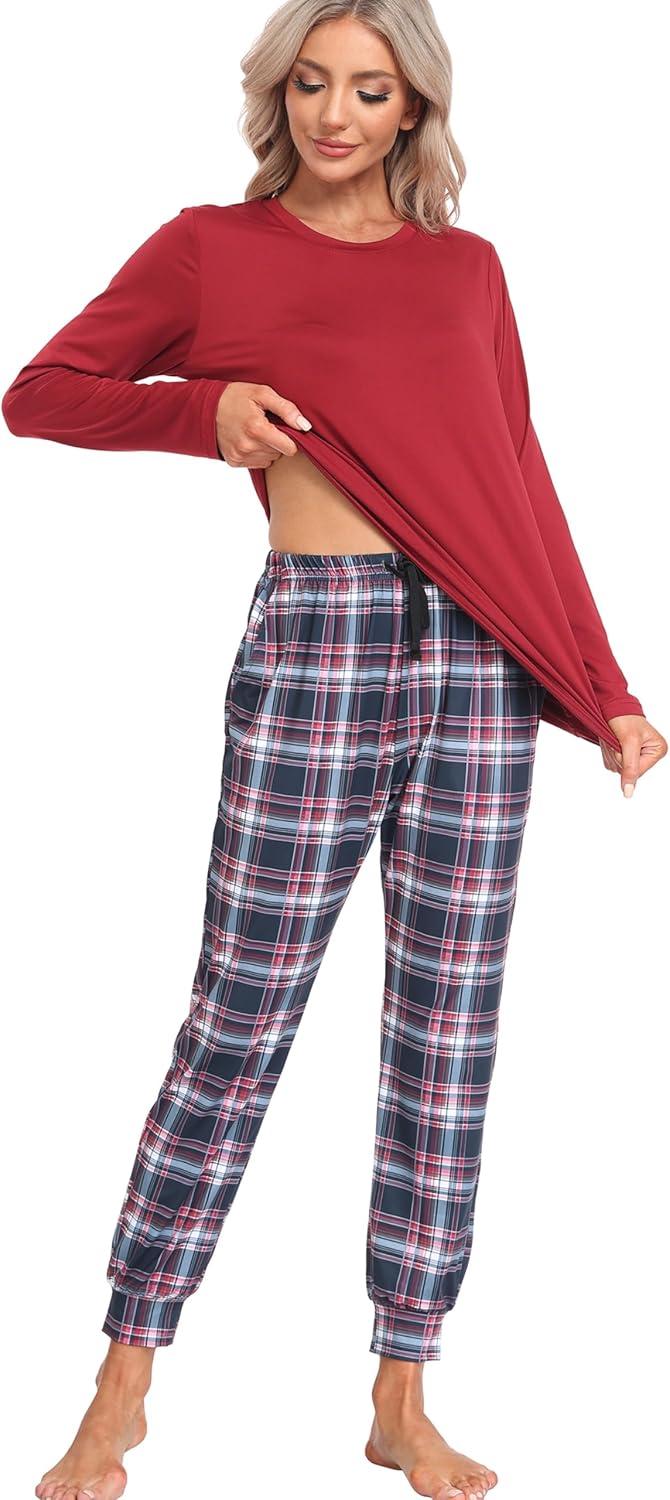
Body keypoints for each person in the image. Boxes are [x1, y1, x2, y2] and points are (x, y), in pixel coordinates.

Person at [3, 4, 665, 1500]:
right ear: (279, 93)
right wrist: (204, 413)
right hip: (321, 635)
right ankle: (120, 1386)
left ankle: (402, 1393)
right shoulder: (210, 250)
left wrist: (604, 683)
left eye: (369, 89)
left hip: (483, 659)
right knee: (239, 1014)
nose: (335, 114)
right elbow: (38, 393)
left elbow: (516, 480)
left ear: (413, 106)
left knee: (447, 1027)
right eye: (311, 83)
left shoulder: (466, 269)